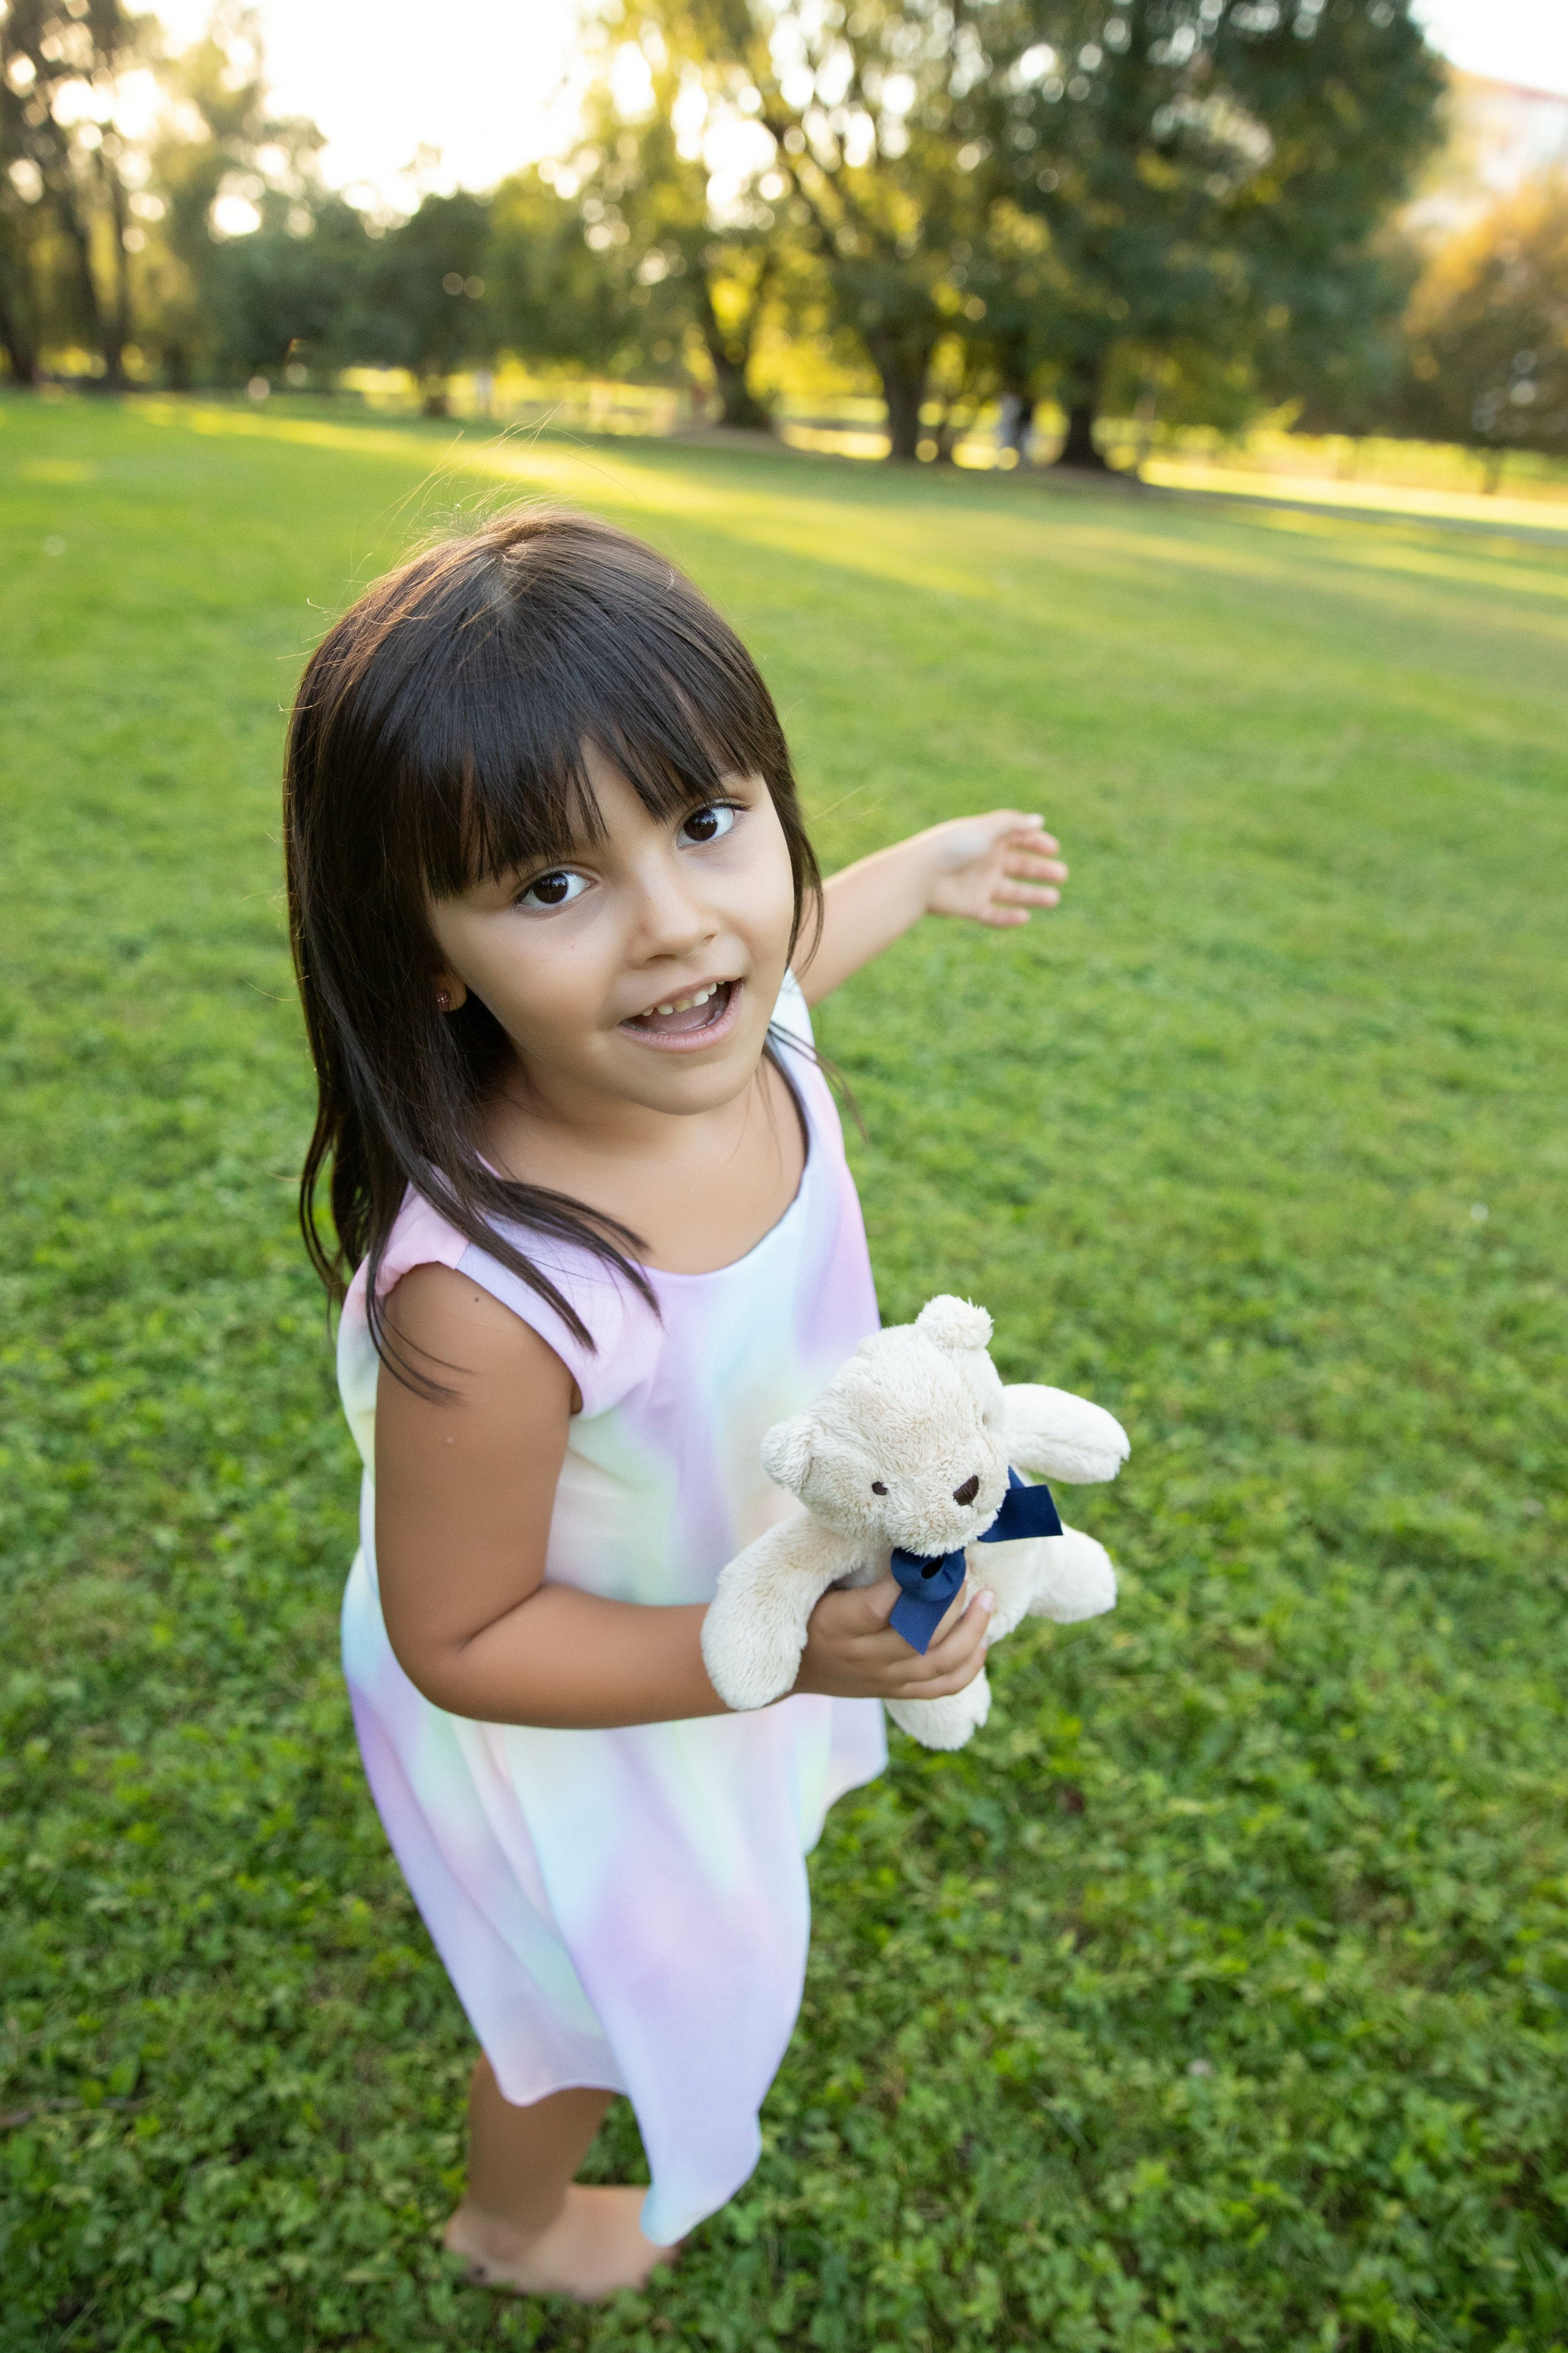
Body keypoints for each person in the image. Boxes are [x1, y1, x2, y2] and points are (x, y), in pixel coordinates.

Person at [284, 508, 1068, 2302]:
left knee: (719, 1872)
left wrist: (931, 864)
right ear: (423, 948)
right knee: (579, 1987)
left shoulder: (751, 1009)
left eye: (708, 819)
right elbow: (461, 1629)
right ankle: (513, 2218)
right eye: (548, 884)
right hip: (581, 1699)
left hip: (744, 1615)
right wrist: (785, 1652)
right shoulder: (495, 1297)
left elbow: (798, 950)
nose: (673, 929)